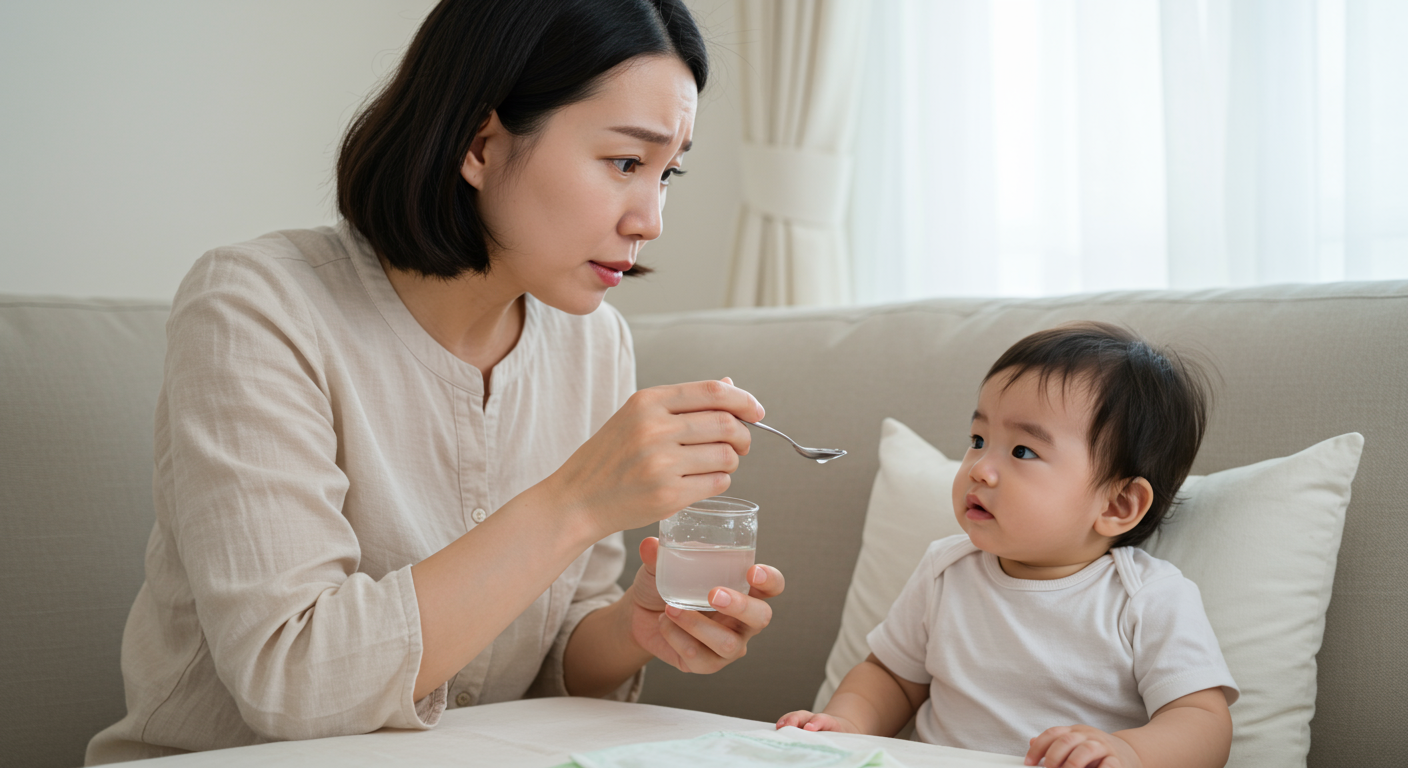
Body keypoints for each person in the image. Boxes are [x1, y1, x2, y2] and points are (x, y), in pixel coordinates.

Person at [87, 1, 785, 763]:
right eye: (625, 162)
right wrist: (576, 500)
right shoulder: (258, 307)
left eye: (668, 172)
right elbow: (292, 681)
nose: (651, 219)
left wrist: (634, 629)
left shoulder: (592, 341)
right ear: (479, 144)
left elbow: (550, 658)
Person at [777, 323, 1239, 768]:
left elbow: (1202, 720)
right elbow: (892, 679)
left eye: (1023, 451)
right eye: (978, 440)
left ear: (1118, 503)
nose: (980, 468)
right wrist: (848, 723)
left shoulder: (1146, 596)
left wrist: (1132, 753)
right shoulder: (946, 570)